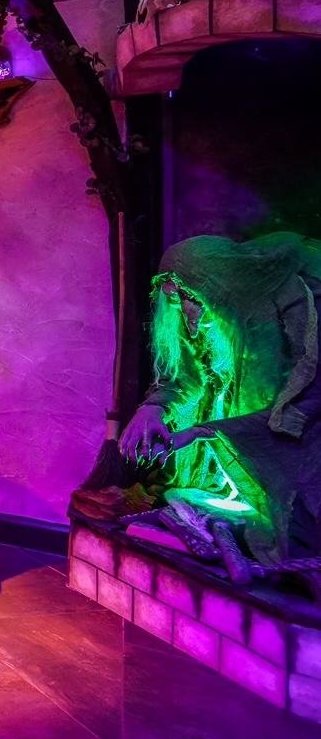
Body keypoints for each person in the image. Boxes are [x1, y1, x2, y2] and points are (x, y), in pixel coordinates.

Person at [79, 233, 321, 590]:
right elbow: (189, 376)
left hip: (287, 453)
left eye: (190, 296)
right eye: (176, 299)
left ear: (220, 284)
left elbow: (302, 405)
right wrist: (154, 407)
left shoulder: (291, 305)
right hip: (230, 450)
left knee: (286, 527)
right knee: (183, 496)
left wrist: (203, 432)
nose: (185, 310)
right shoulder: (203, 317)